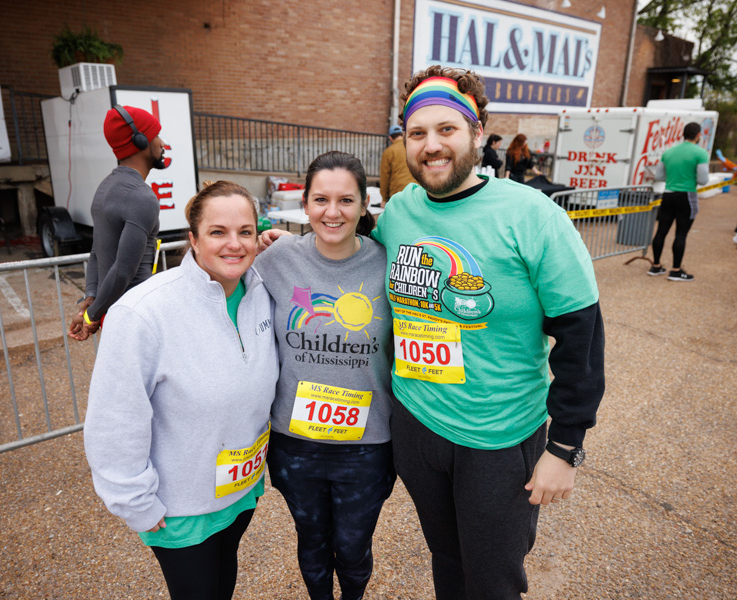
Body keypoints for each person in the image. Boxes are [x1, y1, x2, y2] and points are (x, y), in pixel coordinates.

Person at [370, 65, 606, 599]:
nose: (431, 146)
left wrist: (565, 446)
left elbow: (582, 341)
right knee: (447, 559)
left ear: (477, 133)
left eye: (447, 129)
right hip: (417, 423)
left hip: (497, 440)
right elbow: (352, 264)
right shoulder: (400, 212)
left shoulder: (533, 216)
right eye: (418, 133)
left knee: (493, 581)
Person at [84, 181, 278, 600]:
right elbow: (115, 417)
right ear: (192, 239)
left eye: (245, 232)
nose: (235, 244)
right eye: (217, 232)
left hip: (239, 492)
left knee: (223, 581)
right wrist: (134, 501)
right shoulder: (143, 313)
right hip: (182, 508)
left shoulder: (262, 291)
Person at [253, 151, 396, 600]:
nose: (332, 213)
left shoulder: (388, 262)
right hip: (297, 446)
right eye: (320, 200)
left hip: (367, 448)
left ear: (364, 204)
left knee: (353, 548)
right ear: (305, 203)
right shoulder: (276, 259)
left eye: (345, 201)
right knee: (312, 543)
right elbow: (214, 282)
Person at [68, 105, 166, 341]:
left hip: (116, 315)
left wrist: (91, 295)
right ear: (141, 141)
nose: (162, 143)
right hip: (139, 317)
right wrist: (91, 316)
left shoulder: (105, 188)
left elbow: (96, 252)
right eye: (156, 135)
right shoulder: (141, 197)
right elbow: (124, 270)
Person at [647, 122, 710, 281]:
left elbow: (659, 177)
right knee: (681, 233)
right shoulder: (700, 153)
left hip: (668, 194)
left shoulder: (669, 152)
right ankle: (676, 271)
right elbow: (703, 180)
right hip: (687, 195)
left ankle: (655, 267)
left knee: (661, 231)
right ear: (698, 135)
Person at [379, 124, 416, 207]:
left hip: (397, 193)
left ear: (390, 138)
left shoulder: (389, 152)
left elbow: (385, 177)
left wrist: (384, 198)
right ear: (403, 135)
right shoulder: (412, 148)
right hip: (416, 191)